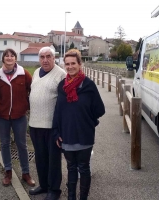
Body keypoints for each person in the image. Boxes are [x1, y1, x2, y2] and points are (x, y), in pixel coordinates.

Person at [52, 49, 105, 200]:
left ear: (79, 64)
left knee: (84, 168)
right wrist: (56, 132)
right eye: (67, 64)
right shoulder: (62, 86)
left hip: (84, 135)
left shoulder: (89, 86)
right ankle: (71, 197)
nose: (70, 66)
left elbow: (99, 110)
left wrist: (89, 122)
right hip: (67, 135)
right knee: (71, 168)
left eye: (73, 63)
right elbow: (58, 111)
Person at [29, 46, 66, 200]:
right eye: (42, 57)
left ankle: (54, 190)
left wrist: (61, 129)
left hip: (51, 126)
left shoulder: (61, 75)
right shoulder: (36, 72)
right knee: (40, 157)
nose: (45, 60)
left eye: (48, 56)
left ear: (54, 57)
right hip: (34, 124)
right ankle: (44, 185)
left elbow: (64, 104)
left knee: (53, 160)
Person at [0, 48, 35, 187]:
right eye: (7, 56)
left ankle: (26, 173)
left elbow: (34, 88)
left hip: (19, 116)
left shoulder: (24, 73)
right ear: (3, 59)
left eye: (12, 56)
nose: (9, 58)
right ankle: (8, 172)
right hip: (2, 116)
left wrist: (27, 105)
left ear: (15, 59)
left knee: (22, 144)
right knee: (5, 144)